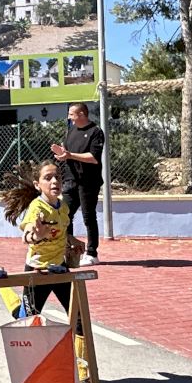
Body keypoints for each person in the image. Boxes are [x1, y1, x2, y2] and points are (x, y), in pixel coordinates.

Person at [1, 160, 112, 383]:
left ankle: (84, 378)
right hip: (37, 273)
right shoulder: (37, 208)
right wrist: (34, 234)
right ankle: (4, 290)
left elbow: (60, 231)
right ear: (37, 184)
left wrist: (72, 241)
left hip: (60, 271)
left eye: (58, 177)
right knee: (26, 320)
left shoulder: (63, 208)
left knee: (80, 321)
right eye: (48, 178)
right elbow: (28, 234)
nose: (55, 182)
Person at [51, 102, 105, 266]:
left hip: (88, 182)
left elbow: (93, 158)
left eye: (71, 114)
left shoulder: (96, 132)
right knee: (64, 216)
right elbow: (67, 153)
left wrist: (70, 155)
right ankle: (69, 251)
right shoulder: (71, 131)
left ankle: (92, 254)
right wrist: (62, 155)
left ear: (82, 114)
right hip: (70, 181)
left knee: (89, 217)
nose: (69, 117)